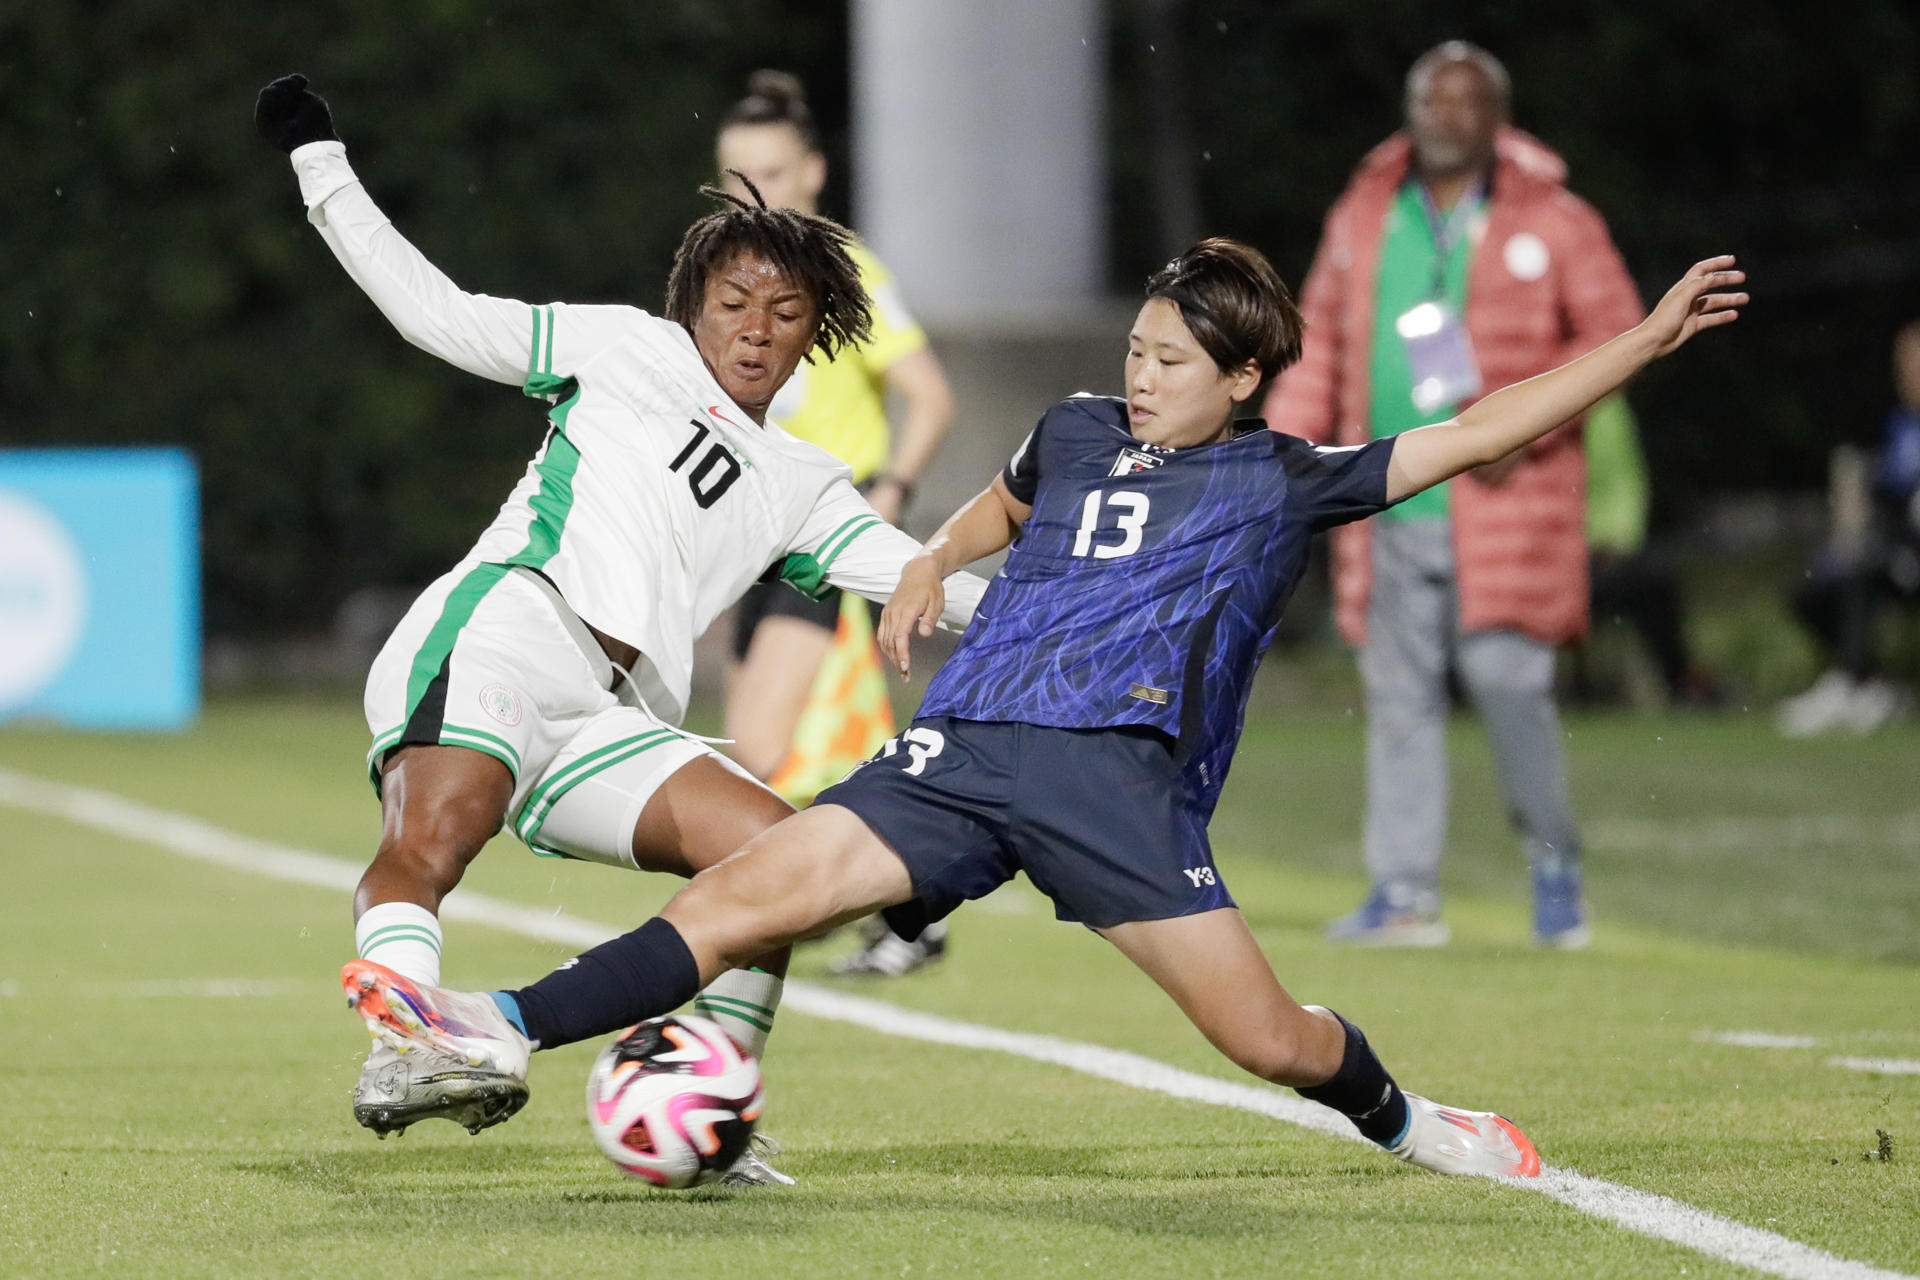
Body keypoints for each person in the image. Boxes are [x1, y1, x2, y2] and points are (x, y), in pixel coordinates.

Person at [338, 240, 1745, 1179]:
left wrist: (1643, 342)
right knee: (745, 895)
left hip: (1112, 783)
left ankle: (1415, 1124)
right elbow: (984, 517)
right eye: (1136, 347)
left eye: (1173, 363)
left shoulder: (1287, 477)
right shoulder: (1073, 430)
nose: (1140, 375)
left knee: (1269, 1042)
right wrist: (932, 569)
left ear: (1245, 381)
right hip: (960, 751)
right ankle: (498, 1026)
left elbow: (1487, 427)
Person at [253, 75, 988, 1176]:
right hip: (501, 629)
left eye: (787, 315)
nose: (756, 330)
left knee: (778, 860)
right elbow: (437, 314)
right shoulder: (621, 348)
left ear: (815, 336)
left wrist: (1117, 608)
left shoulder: (804, 482)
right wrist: (322, 168)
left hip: (605, 712)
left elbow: (936, 579)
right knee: (435, 839)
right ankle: (406, 1041)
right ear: (696, 294)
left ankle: (714, 1100)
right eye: (737, 300)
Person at [1263, 42, 1644, 949]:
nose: (1447, 118)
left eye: (1466, 103)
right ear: (1410, 112)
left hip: (1509, 503)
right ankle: (1403, 892)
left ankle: (1555, 869)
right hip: (1388, 491)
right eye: (1432, 102)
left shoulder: (1552, 217)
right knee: (1398, 698)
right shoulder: (1365, 214)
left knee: (1511, 686)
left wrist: (1533, 428)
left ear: (1497, 117)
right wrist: (1284, 454)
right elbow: (1315, 342)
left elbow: (1620, 332)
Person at [715, 71, 960, 977]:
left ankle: (769, 923)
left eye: (772, 174)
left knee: (760, 750)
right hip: (754, 541)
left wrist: (890, 490)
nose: (754, 196)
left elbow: (931, 397)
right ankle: (910, 903)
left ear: (814, 172)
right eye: (736, 179)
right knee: (786, 752)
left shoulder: (844, 270)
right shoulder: (733, 280)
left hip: (823, 536)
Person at [1775, 320, 1920, 736]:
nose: (1910, 377)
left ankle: (1856, 682)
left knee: (1862, 577)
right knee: (1812, 590)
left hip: (1908, 556)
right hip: (1897, 552)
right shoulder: (1900, 426)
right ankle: (1868, 682)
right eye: (1904, 367)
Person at [1581, 393, 1723, 708]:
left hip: (1594, 554)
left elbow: (1624, 478)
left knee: (1654, 583)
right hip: (1541, 555)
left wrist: (1615, 542)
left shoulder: (1604, 402)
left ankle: (1684, 682)